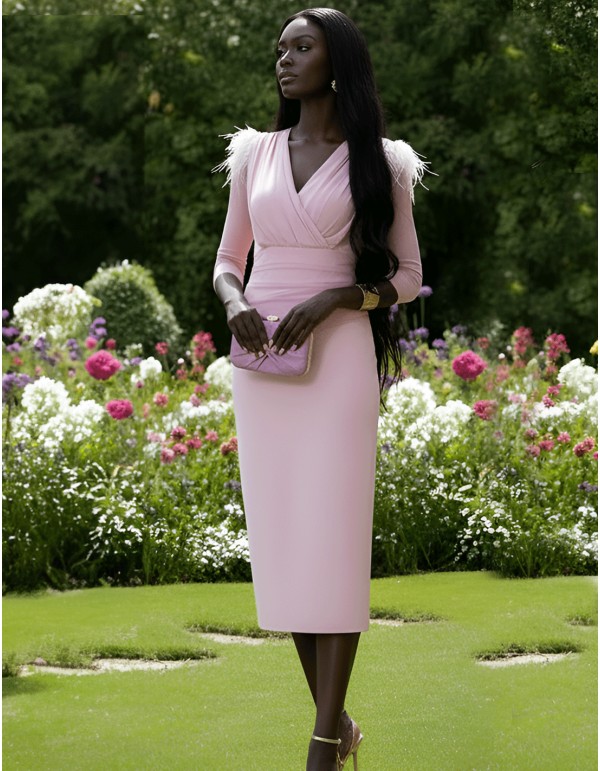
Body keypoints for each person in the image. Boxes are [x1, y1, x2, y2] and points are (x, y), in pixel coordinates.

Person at [213, 7, 425, 770]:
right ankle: (341, 725)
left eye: (300, 47)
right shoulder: (255, 154)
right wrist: (235, 303)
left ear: (338, 63)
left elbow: (407, 276)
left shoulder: (382, 163)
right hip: (262, 361)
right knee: (285, 545)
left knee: (331, 542)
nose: (284, 59)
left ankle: (323, 741)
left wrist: (339, 297)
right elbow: (227, 259)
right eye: (280, 49)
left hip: (337, 361)